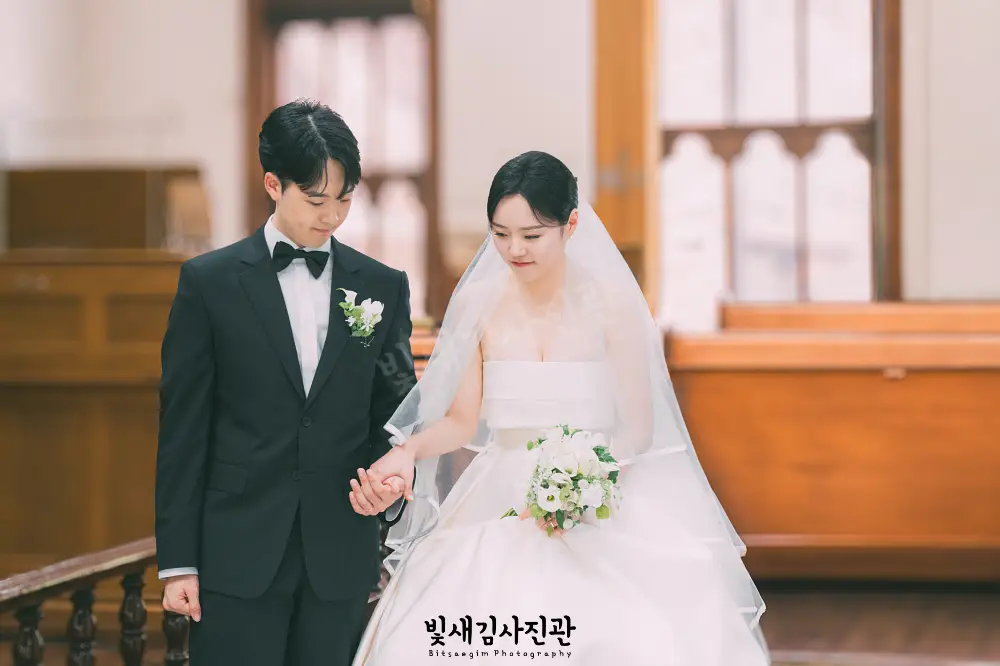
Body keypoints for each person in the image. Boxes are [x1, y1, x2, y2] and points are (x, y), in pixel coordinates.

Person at [347, 151, 771, 665]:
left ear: (570, 225)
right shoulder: (478, 301)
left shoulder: (612, 303)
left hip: (601, 488)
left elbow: (637, 428)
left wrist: (581, 486)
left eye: (531, 235)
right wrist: (409, 448)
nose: (514, 249)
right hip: (500, 493)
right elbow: (460, 421)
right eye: (500, 234)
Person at [154, 98, 416, 666]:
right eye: (317, 199)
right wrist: (178, 562)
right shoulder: (209, 283)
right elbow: (182, 432)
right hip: (236, 552)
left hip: (339, 553)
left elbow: (395, 416)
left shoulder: (382, 286)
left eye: (345, 198)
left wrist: (389, 477)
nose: (333, 215)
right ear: (273, 184)